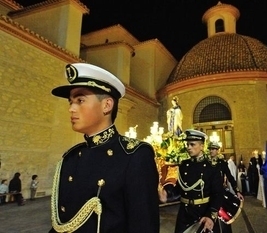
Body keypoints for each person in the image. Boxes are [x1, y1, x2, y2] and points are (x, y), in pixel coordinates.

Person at [49, 63, 160, 232]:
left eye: (80, 100)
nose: (71, 109)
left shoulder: (134, 155)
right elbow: (61, 225)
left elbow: (143, 226)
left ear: (107, 105)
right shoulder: (70, 158)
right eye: (70, 102)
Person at [159, 129, 223, 233]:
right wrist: (167, 194)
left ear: (202, 146)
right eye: (187, 144)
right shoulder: (184, 165)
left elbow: (218, 194)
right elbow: (179, 189)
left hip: (203, 214)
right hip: (184, 214)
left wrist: (211, 216)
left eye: (192, 144)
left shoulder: (211, 167)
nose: (188, 147)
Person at [207, 141, 244, 233]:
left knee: (224, 218)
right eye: (210, 149)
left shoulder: (222, 164)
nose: (211, 151)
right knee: (210, 218)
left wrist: (237, 191)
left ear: (218, 151)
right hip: (208, 195)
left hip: (220, 194)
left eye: (213, 149)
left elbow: (230, 177)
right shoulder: (206, 163)